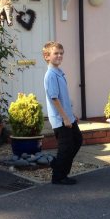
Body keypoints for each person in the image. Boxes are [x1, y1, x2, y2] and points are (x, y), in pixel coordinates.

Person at [43, 41, 83, 185]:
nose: (59, 56)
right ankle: (58, 176)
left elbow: (63, 98)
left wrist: (71, 115)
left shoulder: (59, 72)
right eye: (56, 53)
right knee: (65, 148)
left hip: (68, 117)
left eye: (61, 53)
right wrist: (65, 118)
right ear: (47, 56)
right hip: (60, 120)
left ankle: (58, 165)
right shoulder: (50, 75)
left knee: (77, 141)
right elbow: (54, 99)